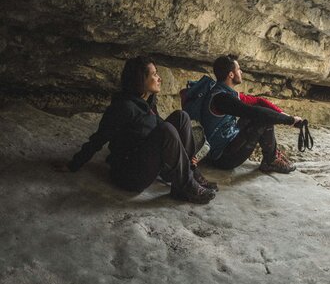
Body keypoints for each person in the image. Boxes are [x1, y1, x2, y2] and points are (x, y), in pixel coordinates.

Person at [67, 56, 217, 204]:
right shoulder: (123, 107)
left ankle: (186, 178)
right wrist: (74, 164)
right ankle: (187, 184)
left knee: (181, 117)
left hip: (148, 160)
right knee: (166, 129)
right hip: (129, 174)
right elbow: (99, 138)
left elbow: (165, 131)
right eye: (154, 74)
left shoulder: (148, 103)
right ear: (139, 79)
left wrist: (186, 157)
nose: (159, 78)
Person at [200, 55, 302, 173]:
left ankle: (272, 157)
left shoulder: (221, 91)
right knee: (262, 118)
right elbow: (255, 113)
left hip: (226, 143)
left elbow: (258, 102)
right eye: (238, 69)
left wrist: (287, 115)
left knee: (259, 113)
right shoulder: (222, 99)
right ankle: (270, 161)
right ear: (231, 75)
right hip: (222, 158)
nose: (241, 71)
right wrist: (289, 120)